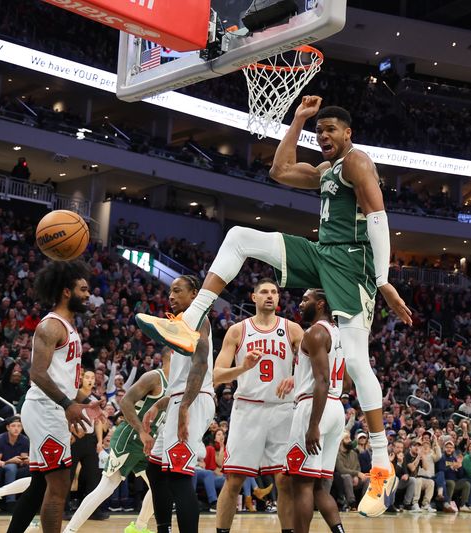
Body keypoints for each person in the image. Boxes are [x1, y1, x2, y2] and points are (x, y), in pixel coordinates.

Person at [135, 95, 413, 518]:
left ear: (348, 133)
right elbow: (279, 170)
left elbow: (378, 218)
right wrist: (297, 119)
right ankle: (190, 320)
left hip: (353, 267)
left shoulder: (358, 163)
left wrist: (383, 280)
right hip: (323, 253)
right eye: (318, 132)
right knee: (240, 236)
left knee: (356, 362)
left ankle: (380, 463)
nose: (323, 136)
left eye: (330, 130)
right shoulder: (325, 170)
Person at [2, 260, 94, 533]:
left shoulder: (69, 326)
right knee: (59, 486)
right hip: (45, 409)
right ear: (67, 291)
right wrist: (68, 405)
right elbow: (37, 374)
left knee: (40, 484)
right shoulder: (50, 326)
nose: (88, 295)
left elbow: (62, 378)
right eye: (83, 289)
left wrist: (87, 401)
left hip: (52, 408)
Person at [212, 278, 303, 533]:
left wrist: (295, 377)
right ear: (254, 297)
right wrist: (243, 368)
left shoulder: (293, 329)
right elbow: (216, 374)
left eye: (274, 292)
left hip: (282, 410)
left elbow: (314, 365)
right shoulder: (238, 330)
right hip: (248, 408)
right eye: (264, 292)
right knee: (234, 480)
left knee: (285, 481)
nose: (270, 296)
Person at [65, 345, 172, 533]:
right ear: (171, 355)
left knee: (161, 486)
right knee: (106, 487)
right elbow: (125, 402)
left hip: (150, 443)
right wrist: (141, 431)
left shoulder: (177, 381)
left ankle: (138, 528)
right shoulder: (154, 377)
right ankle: (70, 531)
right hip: (131, 437)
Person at [141, 275, 215, 533]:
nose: (171, 296)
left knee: (179, 477)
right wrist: (160, 404)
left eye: (177, 291)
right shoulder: (182, 323)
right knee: (155, 468)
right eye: (169, 292)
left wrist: (184, 407)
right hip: (180, 400)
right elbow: (182, 378)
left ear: (194, 294)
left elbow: (201, 362)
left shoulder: (198, 319)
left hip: (191, 402)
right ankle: (163, 528)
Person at [284, 289, 347, 533]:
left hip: (315, 405)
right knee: (319, 486)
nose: (300, 304)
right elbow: (347, 382)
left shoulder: (315, 332)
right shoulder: (339, 334)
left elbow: (321, 380)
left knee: (301, 486)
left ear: (320, 304)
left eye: (305, 300)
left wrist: (313, 425)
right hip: (336, 407)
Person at [0, 416, 30, 509]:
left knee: (33, 469)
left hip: (17, 467)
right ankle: (10, 502)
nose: (16, 428)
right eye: (13, 426)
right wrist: (10, 461)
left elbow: (23, 460)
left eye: (19, 426)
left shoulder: (24, 440)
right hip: (1, 467)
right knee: (11, 467)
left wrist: (26, 460)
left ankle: (30, 503)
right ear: (8, 427)